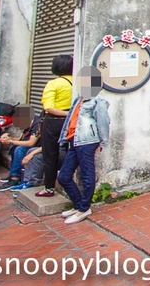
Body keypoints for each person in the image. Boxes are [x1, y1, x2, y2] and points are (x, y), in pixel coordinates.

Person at [57, 65, 110, 224]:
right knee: (64, 176)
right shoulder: (78, 99)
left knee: (87, 175)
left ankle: (84, 208)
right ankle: (79, 204)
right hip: (74, 140)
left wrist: (103, 141)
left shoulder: (97, 101)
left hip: (88, 142)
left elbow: (104, 122)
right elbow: (70, 121)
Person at [36, 54, 74, 198]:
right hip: (71, 122)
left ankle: (49, 188)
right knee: (72, 151)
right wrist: (71, 115)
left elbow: (49, 108)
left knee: (50, 155)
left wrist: (65, 114)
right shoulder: (77, 83)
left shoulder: (53, 83)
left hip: (53, 122)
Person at [0, 113, 41, 191]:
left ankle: (15, 178)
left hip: (37, 147)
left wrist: (11, 141)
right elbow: (21, 139)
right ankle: (13, 173)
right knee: (14, 146)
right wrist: (8, 139)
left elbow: (30, 143)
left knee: (20, 149)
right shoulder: (28, 124)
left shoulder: (37, 124)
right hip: (30, 146)